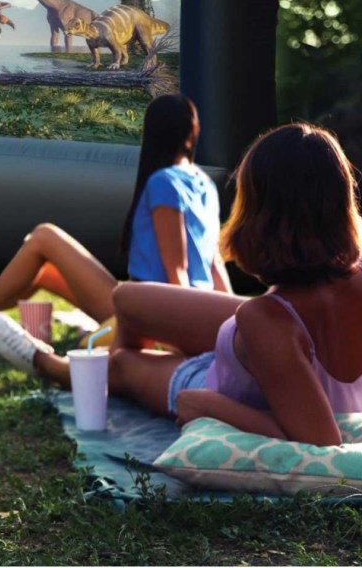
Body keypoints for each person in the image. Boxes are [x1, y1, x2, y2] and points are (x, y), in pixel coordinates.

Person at [106, 123, 362, 446]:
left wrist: (206, 404)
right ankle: (134, 350)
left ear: (259, 215)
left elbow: (323, 443)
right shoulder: (276, 314)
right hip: (261, 350)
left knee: (121, 363)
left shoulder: (267, 320)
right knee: (127, 298)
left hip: (212, 380)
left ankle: (51, 364)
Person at [0, 94, 231, 365]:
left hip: (148, 314)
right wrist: (230, 319)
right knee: (43, 270)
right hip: (163, 307)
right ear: (192, 132)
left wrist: (181, 335)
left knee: (44, 236)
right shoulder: (204, 183)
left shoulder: (164, 182)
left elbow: (175, 271)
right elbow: (214, 264)